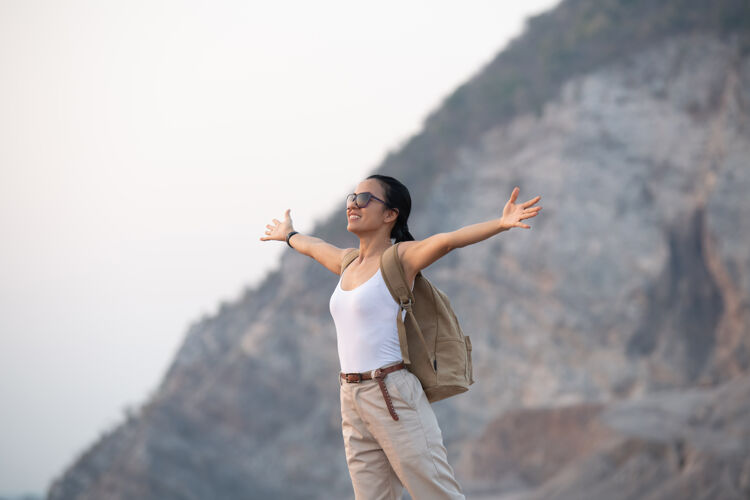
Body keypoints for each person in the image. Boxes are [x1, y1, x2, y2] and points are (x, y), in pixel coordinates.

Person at [260, 174, 541, 499]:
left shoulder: (400, 259)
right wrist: (289, 235)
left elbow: (447, 241)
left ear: (390, 214)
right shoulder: (348, 263)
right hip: (350, 397)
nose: (353, 204)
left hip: (390, 392)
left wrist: (501, 223)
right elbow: (316, 247)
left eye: (364, 199)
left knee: (435, 492)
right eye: (352, 197)